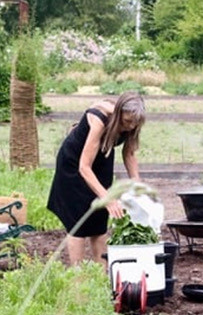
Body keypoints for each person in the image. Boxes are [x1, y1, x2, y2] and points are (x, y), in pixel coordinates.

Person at [47, 92, 146, 266]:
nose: (130, 127)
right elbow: (84, 167)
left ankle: (101, 278)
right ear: (117, 115)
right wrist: (107, 198)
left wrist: (136, 185)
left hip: (102, 161)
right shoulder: (100, 119)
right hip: (74, 164)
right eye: (127, 122)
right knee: (78, 223)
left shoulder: (134, 121)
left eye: (135, 123)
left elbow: (129, 153)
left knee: (99, 223)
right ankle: (78, 281)